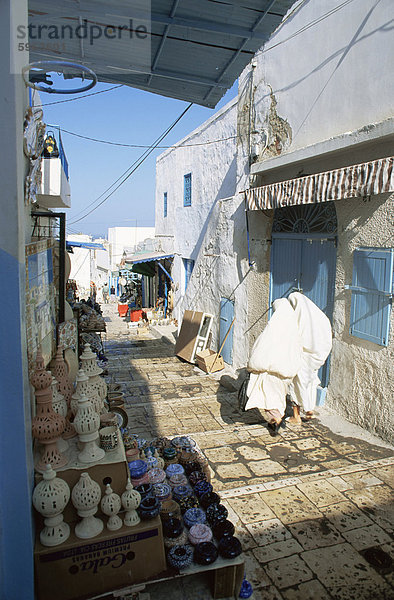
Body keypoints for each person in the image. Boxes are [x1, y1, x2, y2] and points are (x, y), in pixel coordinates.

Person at [244, 298, 303, 433]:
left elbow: (262, 345)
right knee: (278, 396)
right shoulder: (294, 328)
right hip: (286, 372)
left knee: (269, 396)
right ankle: (278, 417)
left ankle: (276, 419)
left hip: (271, 370)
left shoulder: (274, 326)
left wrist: (253, 364)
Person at [287, 292, 332, 422]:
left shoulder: (300, 319)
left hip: (305, 356)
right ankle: (309, 409)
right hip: (318, 356)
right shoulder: (321, 317)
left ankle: (296, 417)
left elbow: (296, 340)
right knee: (311, 382)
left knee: (297, 383)